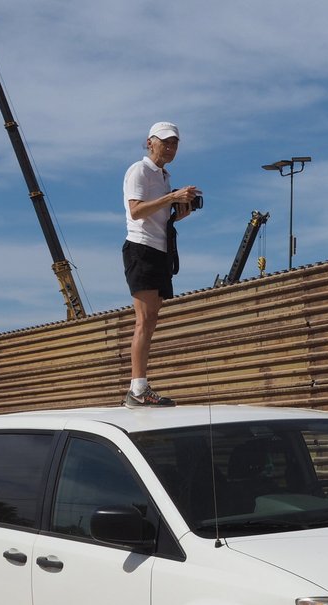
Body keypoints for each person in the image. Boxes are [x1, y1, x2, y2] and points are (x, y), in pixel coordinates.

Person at [121, 121, 201, 407]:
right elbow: (136, 210)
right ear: (149, 142)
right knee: (143, 319)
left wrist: (179, 212)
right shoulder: (139, 171)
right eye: (164, 142)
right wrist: (172, 197)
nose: (169, 147)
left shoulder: (164, 177)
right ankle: (137, 389)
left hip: (159, 250)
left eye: (174, 143)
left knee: (152, 319)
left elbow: (157, 215)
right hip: (140, 249)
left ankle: (140, 386)